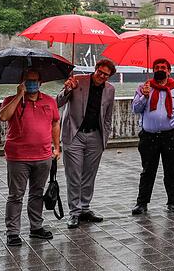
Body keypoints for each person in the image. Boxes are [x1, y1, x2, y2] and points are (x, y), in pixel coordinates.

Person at [0, 68, 61, 246]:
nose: (32, 83)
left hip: (43, 156)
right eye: (28, 80)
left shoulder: (49, 101)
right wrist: (19, 95)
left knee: (37, 193)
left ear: (40, 83)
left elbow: (55, 122)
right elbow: (3, 117)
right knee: (16, 195)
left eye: (34, 80)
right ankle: (12, 232)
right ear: (22, 82)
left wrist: (57, 147)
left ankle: (36, 227)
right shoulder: (11, 100)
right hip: (18, 157)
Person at [56, 59, 116, 229]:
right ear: (95, 69)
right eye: (100, 72)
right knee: (74, 175)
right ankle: (74, 212)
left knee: (89, 175)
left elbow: (108, 116)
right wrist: (68, 89)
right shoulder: (78, 81)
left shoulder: (110, 90)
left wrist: (105, 137)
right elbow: (57, 102)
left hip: (96, 136)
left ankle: (85, 208)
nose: (102, 76)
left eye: (106, 75)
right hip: (74, 134)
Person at [131, 58, 174, 215]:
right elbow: (136, 109)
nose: (160, 69)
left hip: (171, 135)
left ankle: (173, 201)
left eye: (163, 67)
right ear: (153, 70)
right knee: (147, 171)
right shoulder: (144, 88)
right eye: (157, 67)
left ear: (169, 71)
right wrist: (144, 96)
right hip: (148, 136)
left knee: (171, 170)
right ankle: (141, 203)